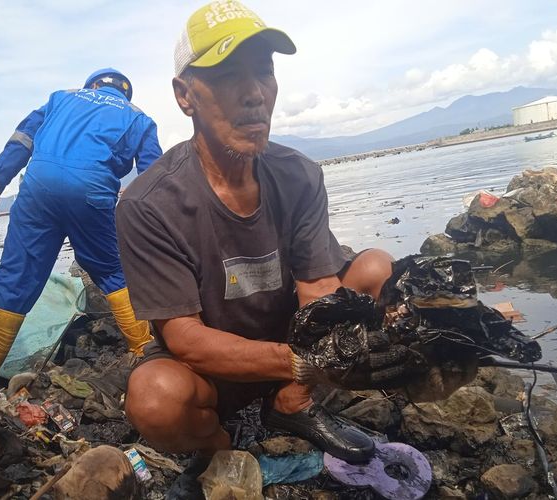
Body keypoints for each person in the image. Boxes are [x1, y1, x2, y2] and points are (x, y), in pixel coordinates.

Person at [115, 0, 407, 470]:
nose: (254, 93)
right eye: (229, 75)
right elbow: (186, 338)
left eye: (264, 71)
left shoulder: (300, 175)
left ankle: (292, 404)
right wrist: (305, 361)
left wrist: (356, 348)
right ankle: (221, 450)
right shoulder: (147, 205)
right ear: (184, 95)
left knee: (377, 271)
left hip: (290, 346)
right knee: (155, 398)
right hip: (211, 370)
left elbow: (318, 291)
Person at [0, 68, 162, 388]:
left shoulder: (61, 98)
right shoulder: (138, 118)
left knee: (15, 276)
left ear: (93, 85)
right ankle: (144, 351)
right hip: (93, 193)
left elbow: (21, 140)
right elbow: (154, 174)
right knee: (113, 271)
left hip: (38, 189)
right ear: (124, 93)